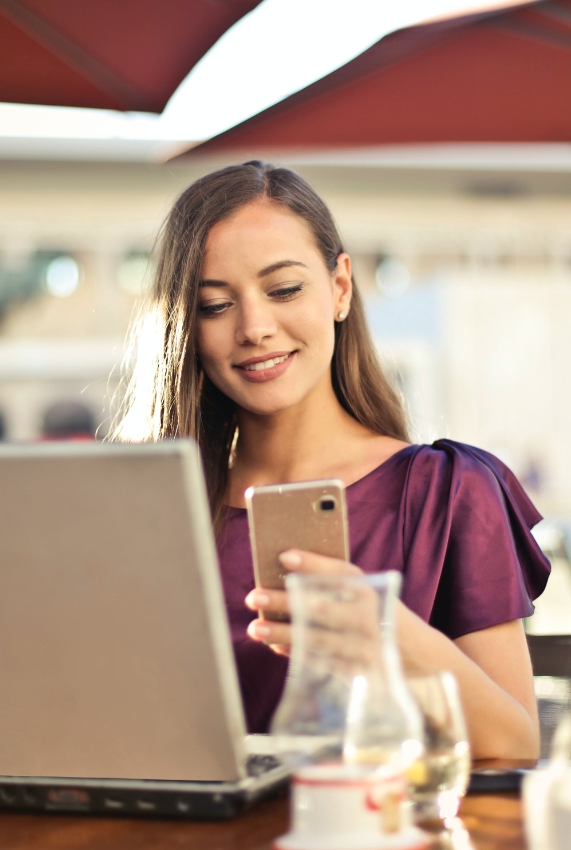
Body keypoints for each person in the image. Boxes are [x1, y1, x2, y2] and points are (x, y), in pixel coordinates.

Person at [114, 161, 549, 759]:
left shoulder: (446, 490)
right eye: (215, 305)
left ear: (340, 288)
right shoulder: (145, 507)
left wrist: (385, 635)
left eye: (284, 289)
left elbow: (517, 743)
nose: (255, 328)